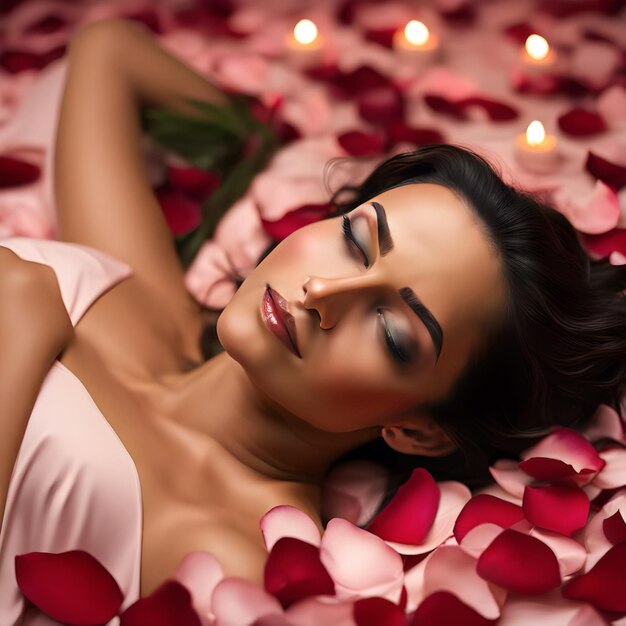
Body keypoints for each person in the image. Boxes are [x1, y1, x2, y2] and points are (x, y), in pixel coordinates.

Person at [0, 17, 624, 619]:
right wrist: (258, 141)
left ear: (418, 430)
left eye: (390, 329)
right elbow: (107, 48)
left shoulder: (222, 556)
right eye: (356, 240)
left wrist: (17, 339)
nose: (323, 290)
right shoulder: (142, 296)